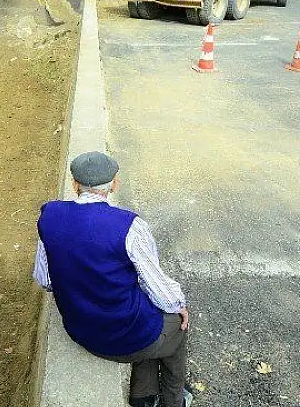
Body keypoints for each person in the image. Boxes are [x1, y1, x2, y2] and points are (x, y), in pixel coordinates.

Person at [34, 152, 191, 407]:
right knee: (176, 323)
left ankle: (143, 397)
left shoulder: (49, 216)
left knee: (152, 315)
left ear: (75, 184)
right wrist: (179, 306)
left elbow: (45, 279)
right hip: (123, 338)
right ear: (114, 184)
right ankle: (174, 400)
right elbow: (159, 287)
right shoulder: (129, 226)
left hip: (80, 331)